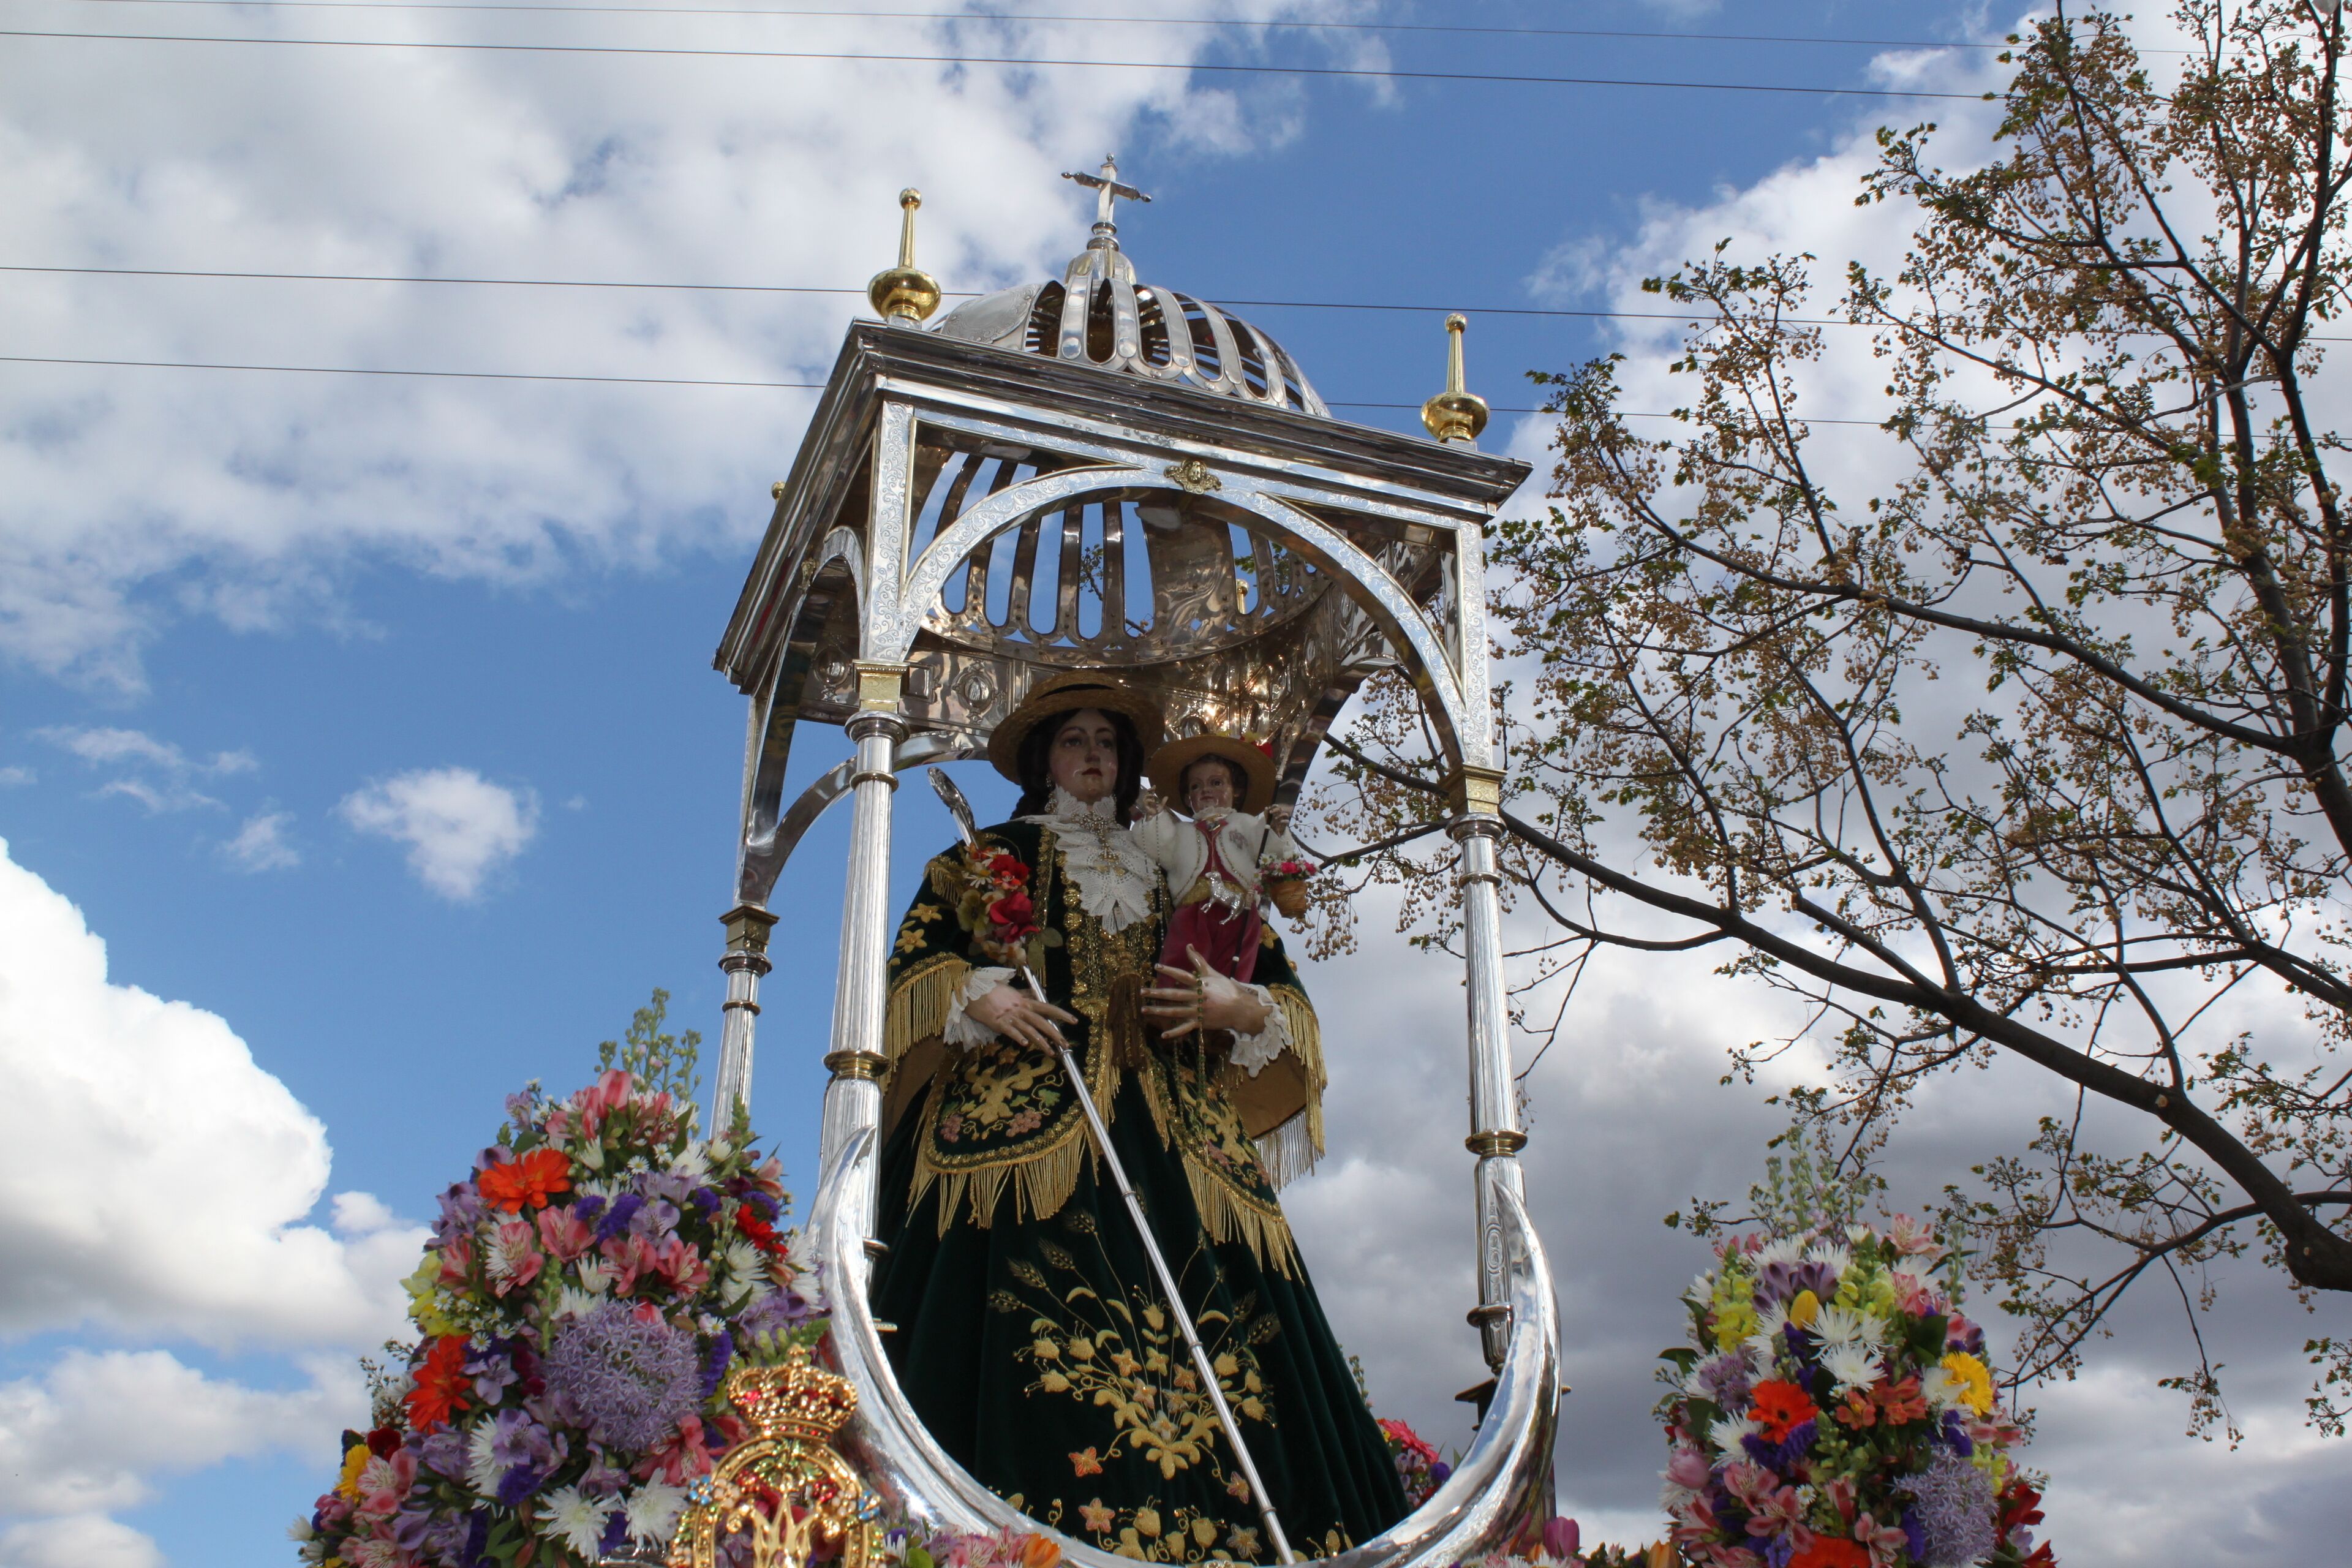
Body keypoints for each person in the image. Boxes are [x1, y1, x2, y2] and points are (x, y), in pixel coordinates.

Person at [871, 674, 1405, 1563]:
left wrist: (1237, 1005)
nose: (1092, 755)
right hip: (1028, 1126)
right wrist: (979, 994)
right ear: (1044, 760)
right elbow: (911, 966)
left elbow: (1277, 988)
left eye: (1107, 743)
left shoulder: (1180, 866)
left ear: (1127, 763)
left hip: (1181, 1134)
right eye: (1073, 740)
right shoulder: (991, 855)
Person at [1131, 733, 1299, 989]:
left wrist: (1274, 829)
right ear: (1187, 797)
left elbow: (1269, 849)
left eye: (1216, 782)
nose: (1205, 790)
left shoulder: (1245, 824)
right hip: (1192, 910)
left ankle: (1228, 1003)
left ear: (1237, 790)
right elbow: (1158, 848)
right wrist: (1154, 819)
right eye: (1195, 786)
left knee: (1234, 965)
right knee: (1183, 959)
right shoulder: (1182, 832)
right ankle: (1177, 1000)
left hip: (1240, 908)